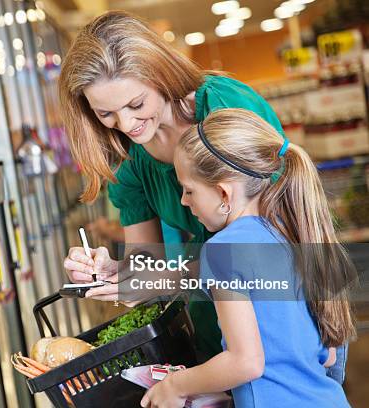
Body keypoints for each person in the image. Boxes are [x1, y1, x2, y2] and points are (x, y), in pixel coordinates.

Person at [59, 10, 284, 360]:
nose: (126, 123)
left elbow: (259, 251)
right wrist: (115, 273)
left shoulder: (221, 107)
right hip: (214, 318)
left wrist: (165, 279)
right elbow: (148, 263)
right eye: (105, 114)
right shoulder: (128, 156)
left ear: (160, 75)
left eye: (136, 104)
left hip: (280, 308)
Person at [141, 108, 355, 407]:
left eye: (189, 190)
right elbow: (325, 355)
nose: (184, 201)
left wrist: (175, 385)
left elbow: (245, 362)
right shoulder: (287, 233)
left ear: (224, 194)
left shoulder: (222, 250)